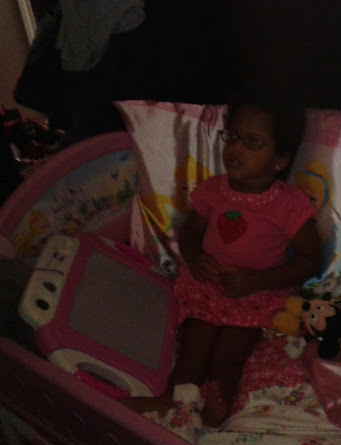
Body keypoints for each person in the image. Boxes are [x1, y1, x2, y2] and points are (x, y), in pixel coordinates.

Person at [123, 88, 321, 426]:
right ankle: (171, 398)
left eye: (253, 142)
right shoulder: (214, 189)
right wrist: (195, 257)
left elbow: (309, 260)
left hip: (255, 293)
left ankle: (217, 409)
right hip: (209, 286)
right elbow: (190, 232)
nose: (236, 148)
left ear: (279, 161)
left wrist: (257, 281)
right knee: (195, 343)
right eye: (233, 137)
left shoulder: (289, 204)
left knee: (229, 352)